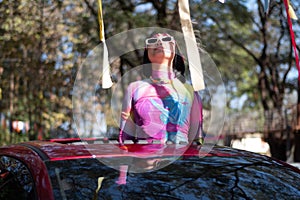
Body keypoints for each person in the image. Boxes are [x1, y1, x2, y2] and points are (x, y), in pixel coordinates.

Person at [119, 33, 203, 145]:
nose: (159, 42)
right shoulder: (134, 89)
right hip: (144, 159)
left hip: (180, 160)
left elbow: (196, 141)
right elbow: (125, 139)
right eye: (152, 41)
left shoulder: (190, 91)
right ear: (147, 51)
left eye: (166, 39)